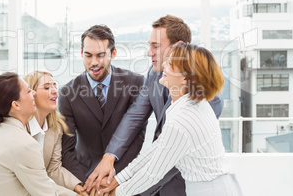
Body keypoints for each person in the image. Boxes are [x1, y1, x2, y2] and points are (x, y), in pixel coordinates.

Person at [85, 15, 224, 195]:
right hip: (153, 176)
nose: (149, 52)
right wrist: (109, 157)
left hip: (183, 185)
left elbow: (164, 160)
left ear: (178, 47)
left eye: (156, 46)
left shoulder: (204, 101)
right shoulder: (155, 73)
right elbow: (135, 116)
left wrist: (120, 190)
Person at [100, 43, 243, 196]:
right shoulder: (190, 104)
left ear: (186, 79)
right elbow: (158, 148)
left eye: (171, 64)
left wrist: (117, 193)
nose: (164, 65)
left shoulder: (183, 120)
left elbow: (152, 173)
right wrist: (119, 179)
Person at [58, 25, 145, 183]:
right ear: (81, 54)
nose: (94, 62)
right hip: (86, 178)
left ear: (113, 53)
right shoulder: (67, 93)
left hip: (125, 177)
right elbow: (67, 150)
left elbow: (137, 137)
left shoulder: (135, 82)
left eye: (100, 55)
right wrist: (85, 184)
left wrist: (113, 177)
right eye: (88, 55)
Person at [0, 72, 80, 196]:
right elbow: (45, 192)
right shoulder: (24, 143)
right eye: (29, 91)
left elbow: (47, 174)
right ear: (16, 105)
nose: (33, 93)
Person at [24, 71, 87, 196]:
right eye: (47, 87)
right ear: (32, 94)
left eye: (54, 86)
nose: (55, 91)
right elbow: (33, 179)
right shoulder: (20, 128)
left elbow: (54, 168)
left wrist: (78, 186)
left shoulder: (56, 127)